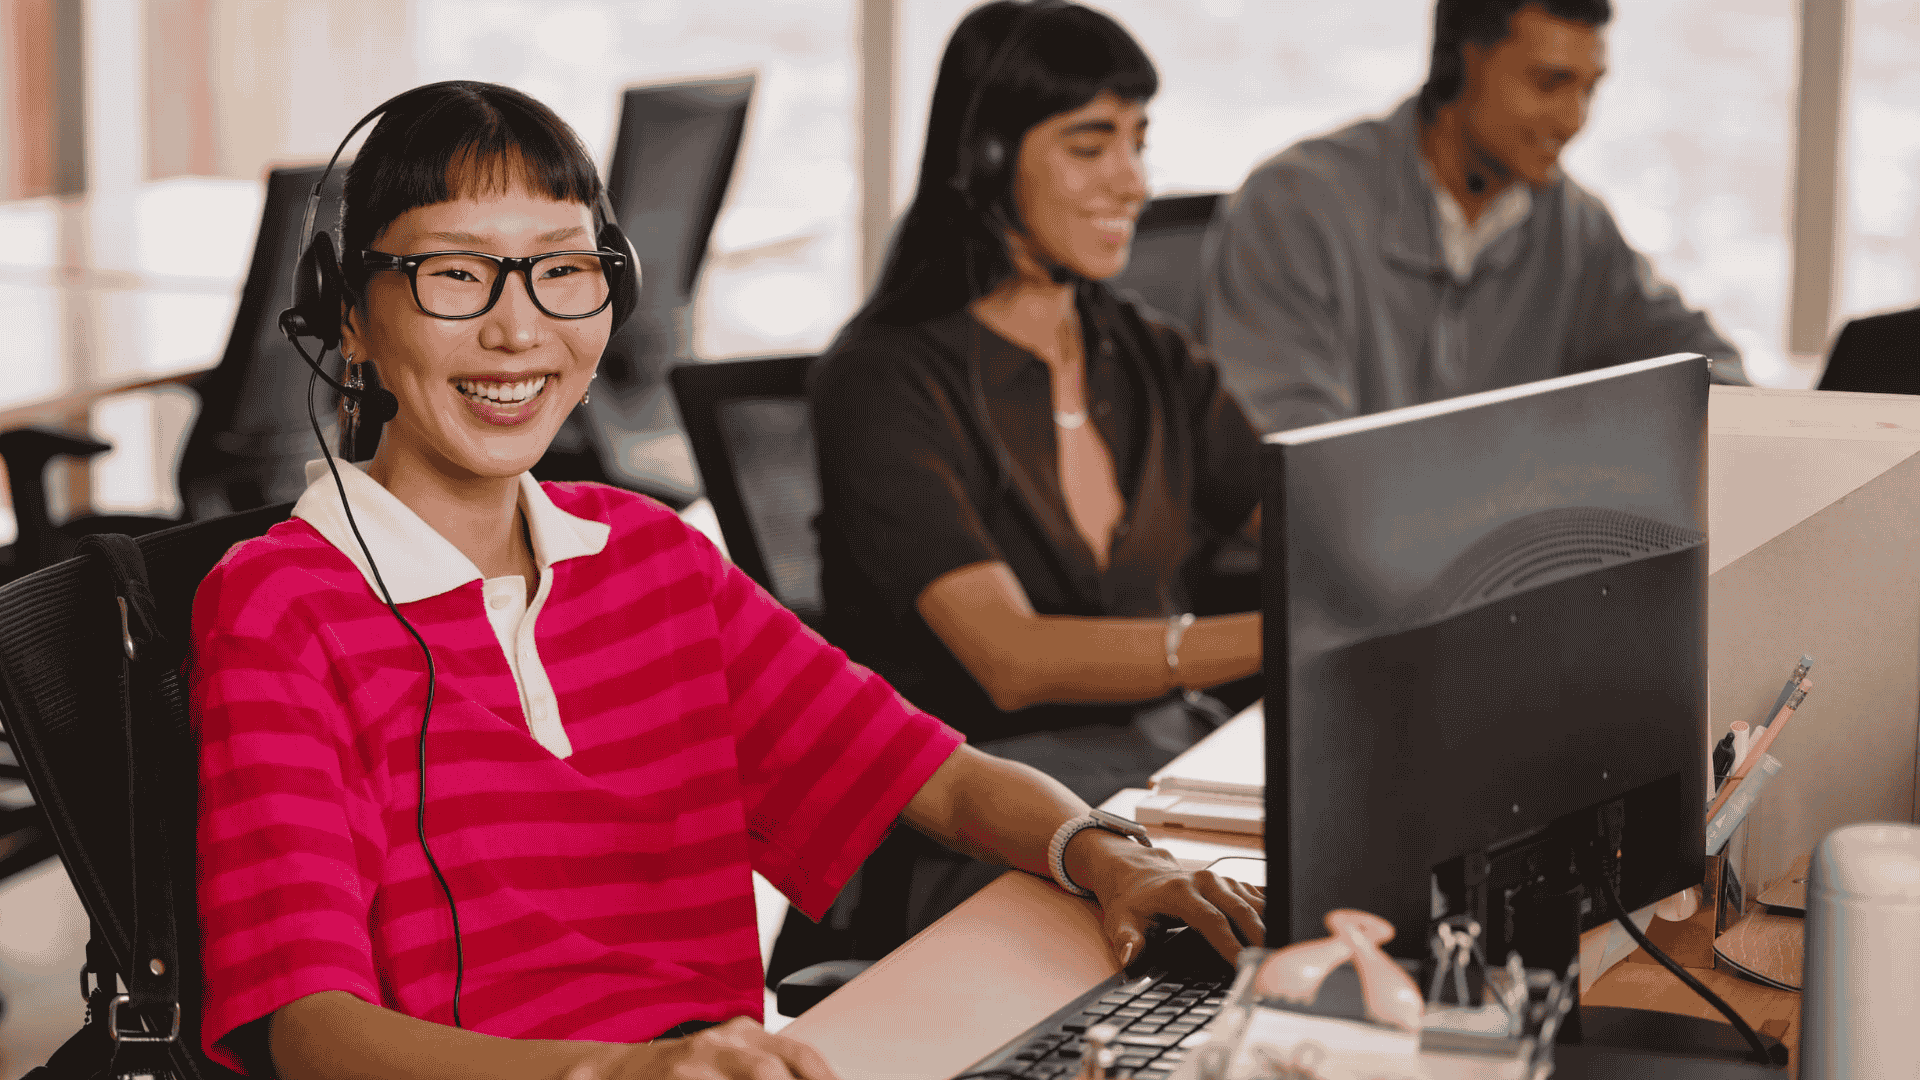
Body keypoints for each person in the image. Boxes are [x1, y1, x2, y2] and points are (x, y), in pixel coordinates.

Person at [188, 81, 1264, 1080]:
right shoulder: (278, 608)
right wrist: (618, 1074)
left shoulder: (649, 557)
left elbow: (935, 777)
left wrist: (1110, 855)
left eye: (562, 270)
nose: (519, 329)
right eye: (454, 274)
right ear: (348, 318)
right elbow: (311, 1031)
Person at [807, 0, 1264, 951]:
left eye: (1139, 141)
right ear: (984, 162)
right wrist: (1287, 632)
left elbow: (1310, 522)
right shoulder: (885, 378)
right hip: (989, 829)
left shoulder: (1148, 355)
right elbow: (1011, 662)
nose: (1133, 181)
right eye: (1090, 146)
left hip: (1164, 786)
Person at [1202, 0, 1749, 435]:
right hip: (1345, 565)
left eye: (1590, 88)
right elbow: (1285, 461)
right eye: (1549, 83)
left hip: (1512, 559)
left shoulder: (1576, 226)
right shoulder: (1295, 206)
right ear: (1466, 60)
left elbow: (1708, 368)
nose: (1574, 119)